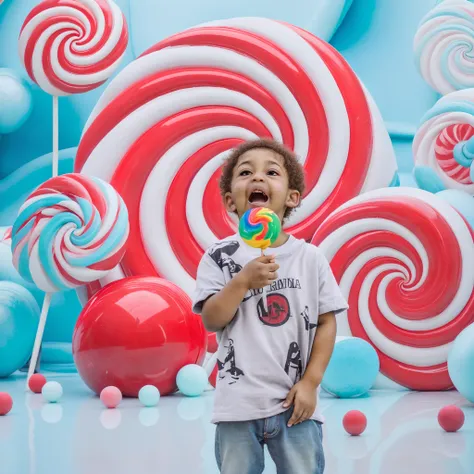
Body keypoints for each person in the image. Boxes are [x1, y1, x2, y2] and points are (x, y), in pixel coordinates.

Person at [193, 138, 349, 474]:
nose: (258, 178)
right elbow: (211, 319)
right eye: (246, 172)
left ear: (292, 197)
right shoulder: (219, 258)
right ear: (229, 200)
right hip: (237, 405)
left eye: (271, 172)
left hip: (295, 403)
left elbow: (326, 323)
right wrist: (241, 282)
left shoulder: (310, 258)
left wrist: (310, 383)